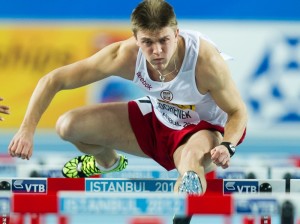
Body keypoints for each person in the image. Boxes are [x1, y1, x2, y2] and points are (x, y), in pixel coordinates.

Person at [8, 0, 247, 223]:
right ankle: (109, 164)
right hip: (157, 120)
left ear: (176, 33)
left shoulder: (206, 62)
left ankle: (182, 205)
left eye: (164, 40)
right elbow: (53, 80)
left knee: (190, 166)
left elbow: (237, 111)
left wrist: (227, 145)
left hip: (202, 132)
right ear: (135, 38)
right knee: (67, 125)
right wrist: (26, 130)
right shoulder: (124, 56)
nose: (157, 51)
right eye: (148, 43)